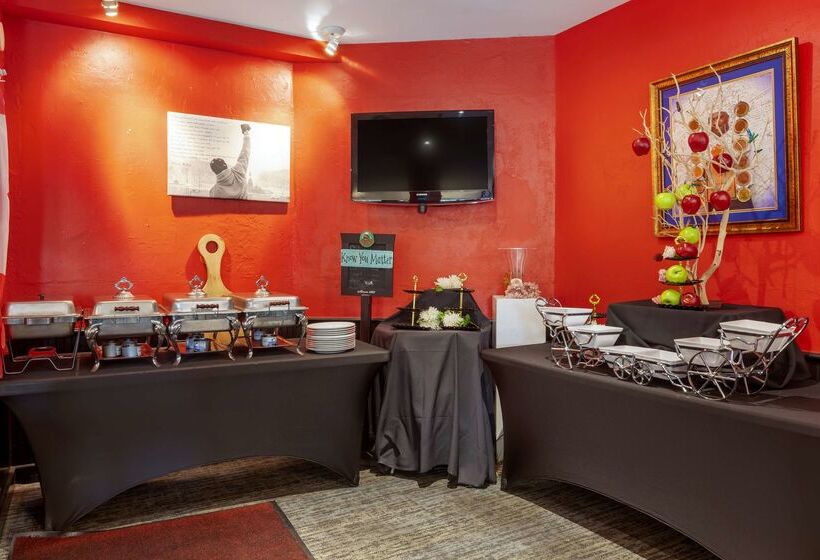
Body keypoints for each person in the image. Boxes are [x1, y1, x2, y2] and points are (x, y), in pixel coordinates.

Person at [209, 123, 252, 199]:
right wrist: (246, 133)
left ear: (214, 171)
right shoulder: (238, 172)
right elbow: (245, 152)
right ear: (225, 165)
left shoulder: (214, 192)